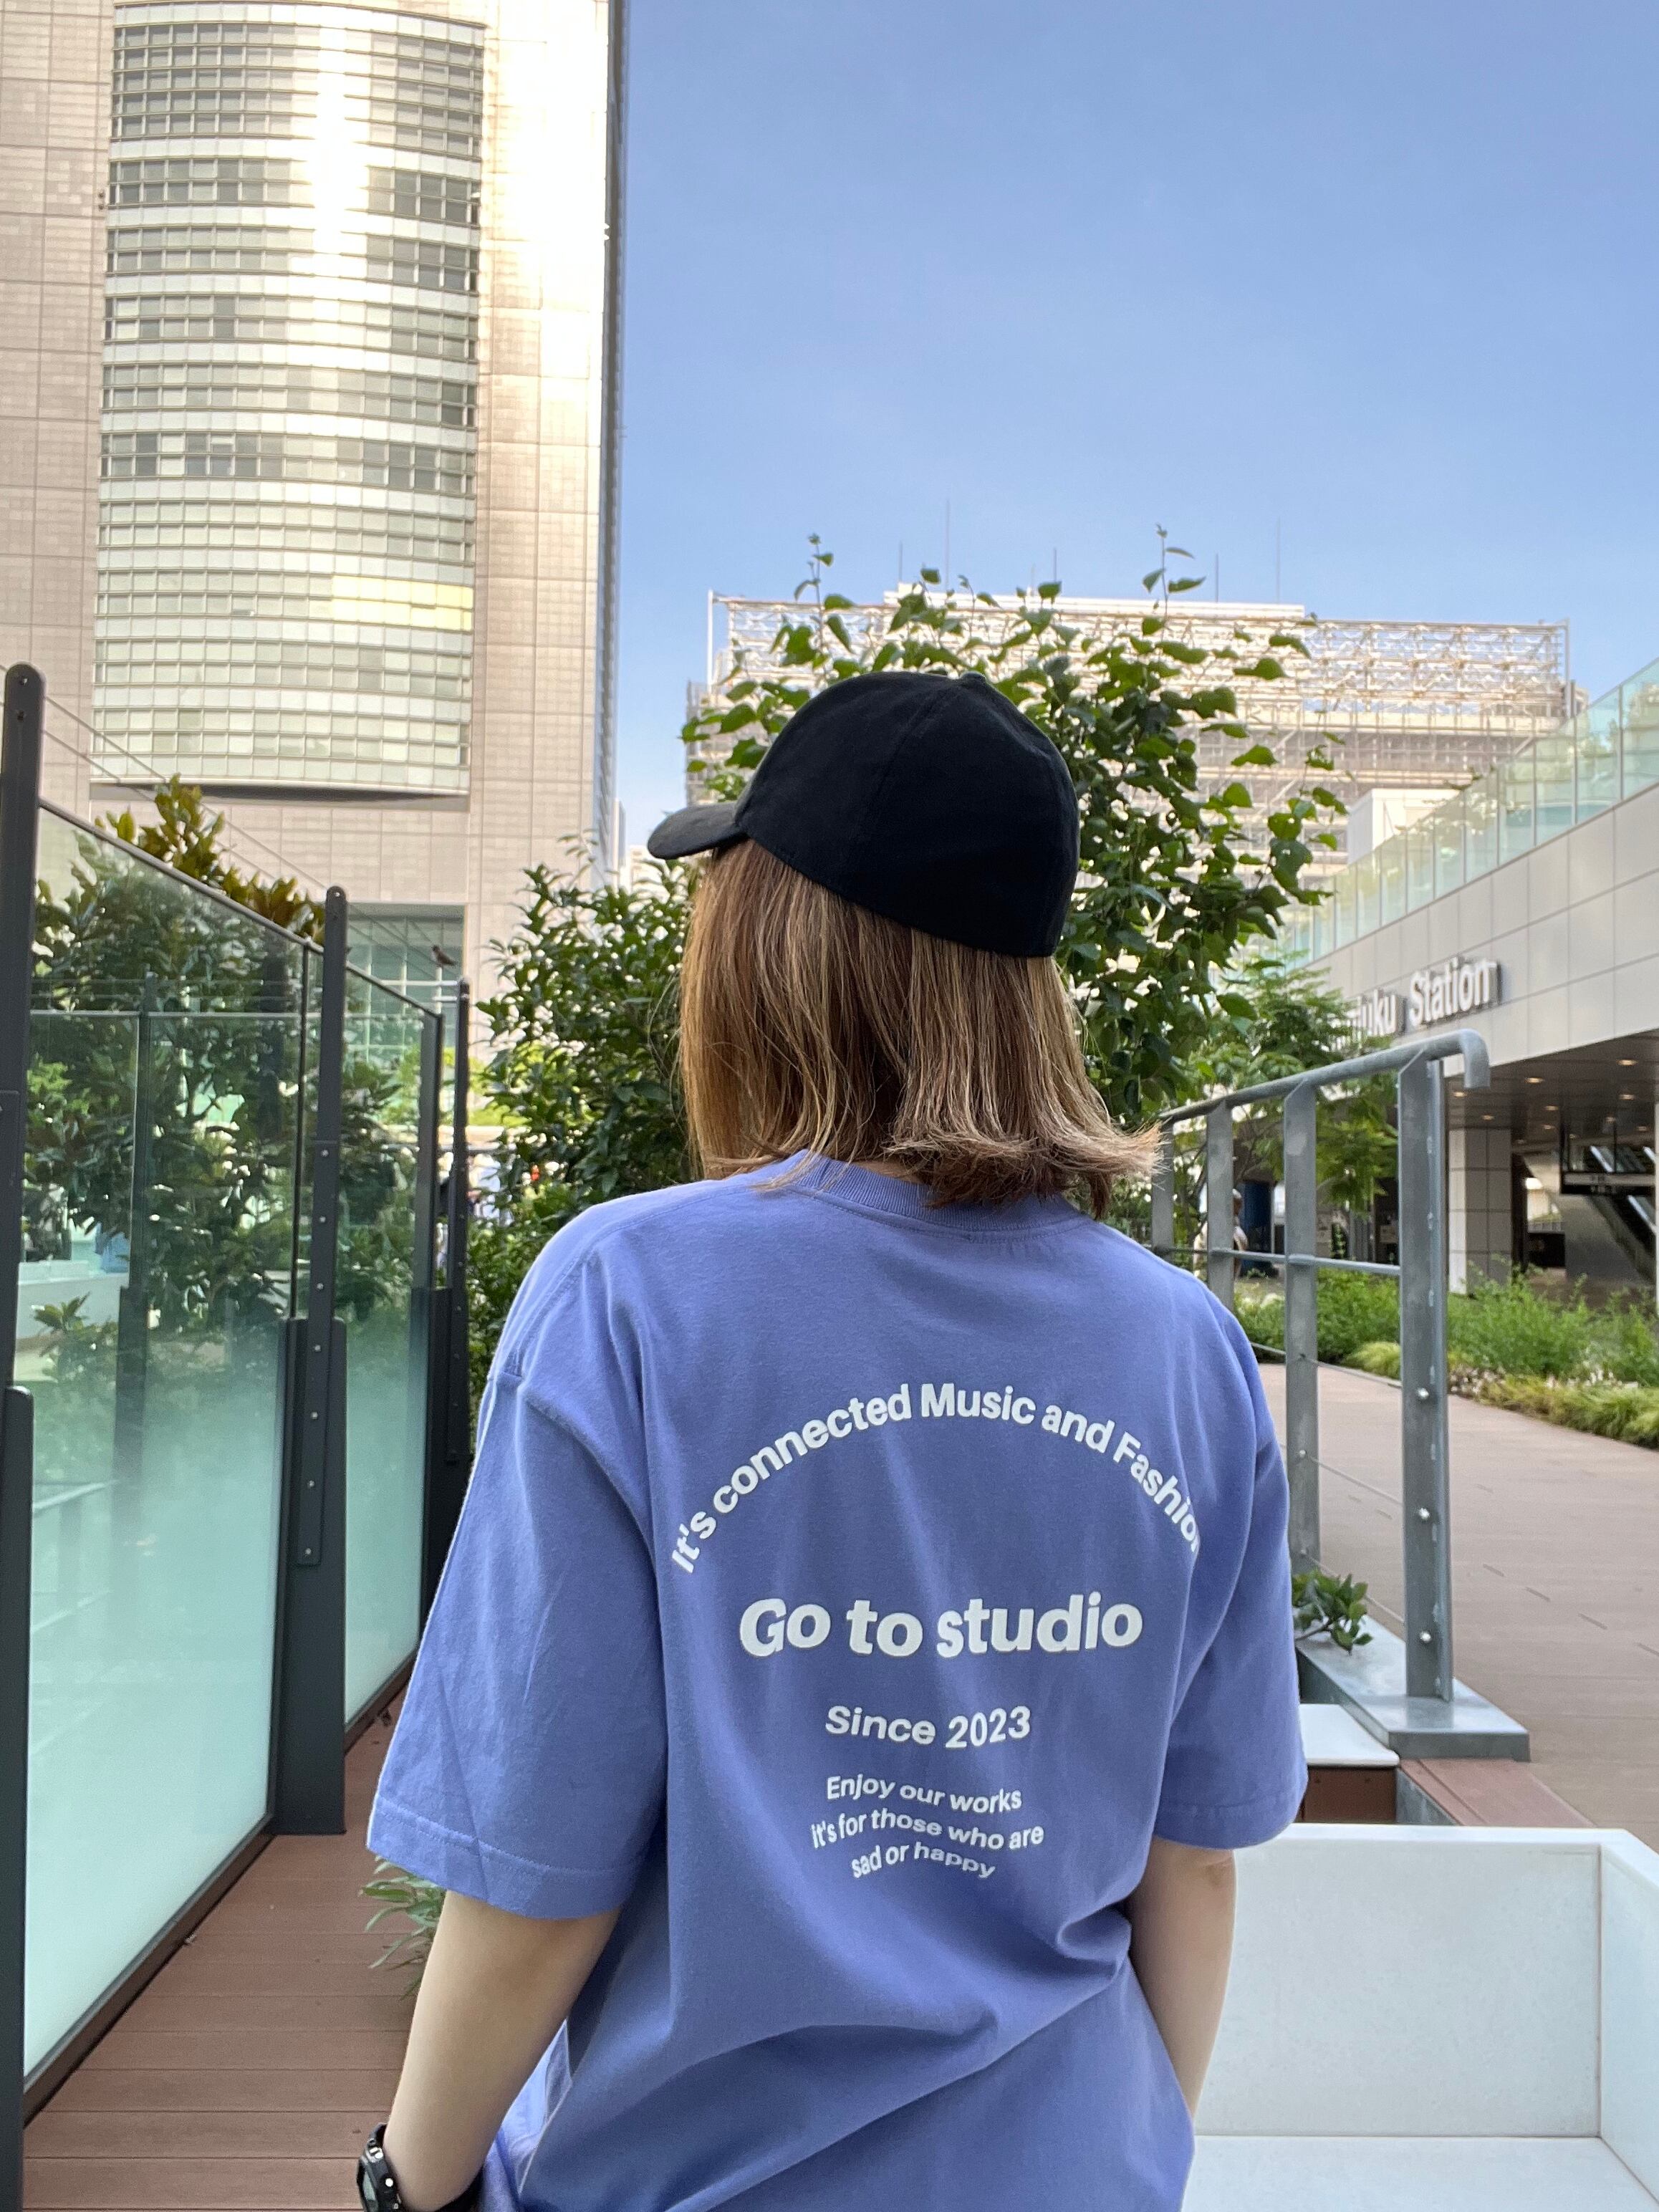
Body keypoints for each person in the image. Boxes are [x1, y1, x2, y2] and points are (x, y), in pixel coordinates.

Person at [357, 670, 1305, 2212]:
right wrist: (1127, 2155)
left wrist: (408, 2185)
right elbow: (1191, 1861)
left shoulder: (630, 1297)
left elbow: (537, 1877)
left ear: (768, 947)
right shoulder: (1184, 1344)